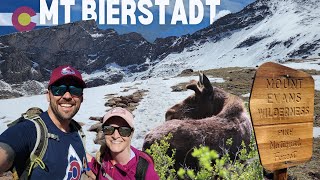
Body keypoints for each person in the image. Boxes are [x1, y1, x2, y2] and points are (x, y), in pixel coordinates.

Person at [0, 65, 88, 179]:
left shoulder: (78, 132)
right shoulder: (31, 130)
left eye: (75, 90)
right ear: (48, 95)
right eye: (58, 89)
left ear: (81, 98)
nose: (67, 96)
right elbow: (6, 149)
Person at [86, 107, 160, 180]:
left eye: (124, 130)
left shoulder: (144, 171)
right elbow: (91, 163)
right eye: (109, 129)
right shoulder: (103, 157)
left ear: (131, 133)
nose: (115, 136)